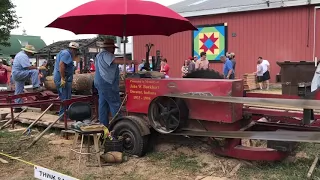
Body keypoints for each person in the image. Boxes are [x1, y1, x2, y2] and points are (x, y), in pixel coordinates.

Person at [94, 39, 136, 127]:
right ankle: (119, 126)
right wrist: (129, 61)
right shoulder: (107, 54)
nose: (114, 50)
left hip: (100, 82)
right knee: (115, 104)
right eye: (113, 48)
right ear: (109, 48)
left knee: (103, 104)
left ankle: (104, 126)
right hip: (107, 83)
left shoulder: (99, 55)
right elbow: (115, 61)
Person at [12, 45, 45, 112]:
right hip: (19, 73)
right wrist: (38, 68)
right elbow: (27, 67)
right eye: (31, 52)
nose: (31, 54)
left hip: (16, 74)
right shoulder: (23, 56)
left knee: (19, 91)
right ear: (27, 51)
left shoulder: (20, 54)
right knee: (34, 72)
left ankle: (17, 107)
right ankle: (36, 87)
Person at [53, 42, 80, 118]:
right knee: (65, 97)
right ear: (74, 50)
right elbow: (61, 65)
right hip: (63, 78)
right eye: (76, 50)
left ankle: (64, 115)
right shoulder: (66, 54)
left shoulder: (63, 52)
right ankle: (63, 116)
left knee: (64, 97)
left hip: (62, 77)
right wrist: (62, 78)